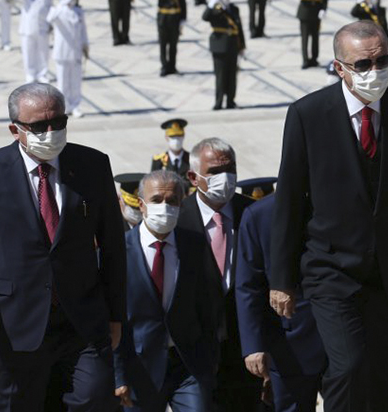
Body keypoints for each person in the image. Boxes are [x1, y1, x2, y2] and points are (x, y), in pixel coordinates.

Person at [270, 20, 388, 412]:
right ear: (339, 68)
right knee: (349, 366)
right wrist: (281, 279)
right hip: (331, 268)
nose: (375, 72)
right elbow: (291, 202)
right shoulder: (307, 115)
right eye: (363, 65)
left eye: (382, 61)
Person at [0, 82, 127, 411]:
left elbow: (114, 245)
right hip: (13, 324)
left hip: (82, 320)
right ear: (15, 129)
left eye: (58, 122)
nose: (50, 132)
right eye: (39, 126)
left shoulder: (92, 165)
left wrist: (115, 314)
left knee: (94, 400)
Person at [114, 170, 219, 411]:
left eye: (172, 201)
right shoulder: (118, 252)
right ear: (141, 205)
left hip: (187, 365)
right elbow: (112, 318)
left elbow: (207, 304)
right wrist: (118, 375)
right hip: (139, 367)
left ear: (181, 204)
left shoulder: (194, 244)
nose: (165, 206)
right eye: (157, 200)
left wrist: (210, 358)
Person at [180, 138, 264, 410]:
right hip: (195, 352)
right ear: (194, 177)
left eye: (230, 169)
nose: (225, 178)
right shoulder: (179, 220)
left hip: (246, 349)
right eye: (215, 172)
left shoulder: (253, 213)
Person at [236, 187, 326, 412]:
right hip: (289, 344)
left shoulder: (343, 203)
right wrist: (253, 345)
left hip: (342, 337)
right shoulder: (259, 214)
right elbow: (249, 286)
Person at [47, 0, 89, 118]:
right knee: (63, 82)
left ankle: (76, 105)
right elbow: (50, 18)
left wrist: (85, 46)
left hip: (75, 51)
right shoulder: (57, 10)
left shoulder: (78, 11)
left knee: (76, 82)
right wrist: (61, 4)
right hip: (62, 52)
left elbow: (83, 31)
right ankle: (64, 106)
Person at [203, 0, 246, 110]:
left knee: (232, 75)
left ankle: (230, 101)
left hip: (232, 45)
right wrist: (211, 5)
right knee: (220, 75)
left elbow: (239, 28)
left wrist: (242, 46)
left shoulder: (234, 9)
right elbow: (205, 17)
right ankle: (219, 101)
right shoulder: (215, 10)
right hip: (219, 46)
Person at [11, 0, 52, 83]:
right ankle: (30, 73)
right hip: (28, 26)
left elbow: (50, 7)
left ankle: (43, 73)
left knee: (43, 51)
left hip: (42, 26)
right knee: (28, 51)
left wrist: (50, 24)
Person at [144, 0, 187, 76]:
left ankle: (172, 66)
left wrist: (183, 19)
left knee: (173, 43)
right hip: (163, 17)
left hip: (175, 17)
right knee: (163, 43)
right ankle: (164, 66)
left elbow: (182, 2)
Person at [292, 0, 329, 69]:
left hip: (316, 9)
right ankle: (305, 59)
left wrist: (323, 8)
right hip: (305, 10)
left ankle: (314, 58)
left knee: (315, 36)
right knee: (305, 37)